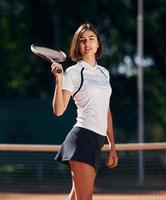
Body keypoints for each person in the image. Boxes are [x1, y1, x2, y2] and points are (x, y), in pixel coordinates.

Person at [51, 23, 118, 200]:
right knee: (85, 198)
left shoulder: (104, 73)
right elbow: (59, 110)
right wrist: (59, 80)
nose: (87, 43)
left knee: (75, 197)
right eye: (82, 40)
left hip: (97, 141)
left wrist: (112, 145)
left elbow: (106, 110)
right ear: (77, 46)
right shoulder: (73, 72)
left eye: (91, 38)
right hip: (82, 139)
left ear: (98, 45)